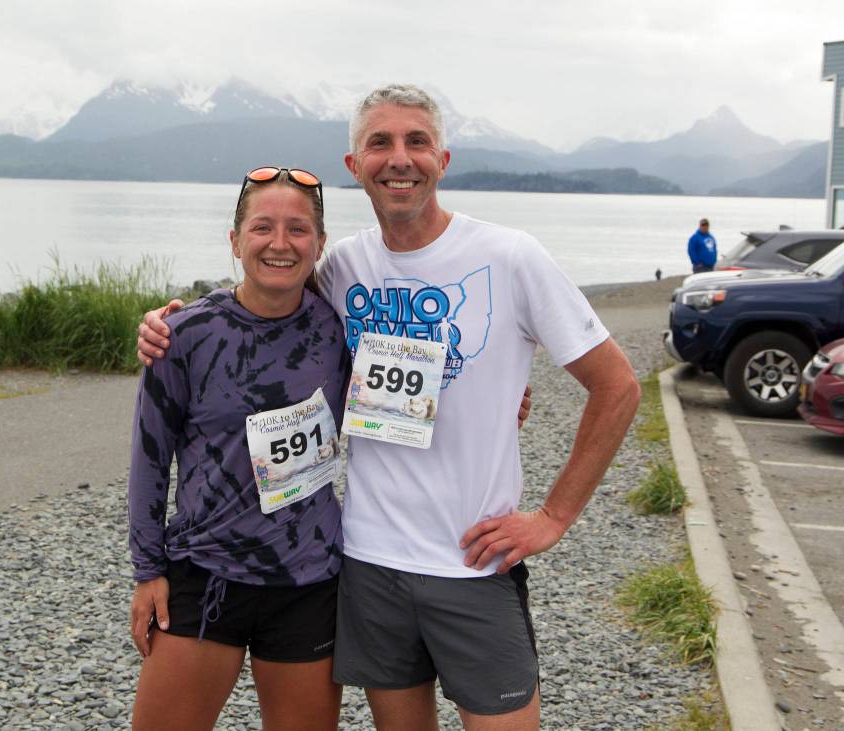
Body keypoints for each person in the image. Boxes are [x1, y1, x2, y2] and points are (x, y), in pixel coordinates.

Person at [139, 85, 640, 731]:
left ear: (443, 159)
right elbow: (266, 291)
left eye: (416, 142)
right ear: (356, 166)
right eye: (380, 142)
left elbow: (618, 385)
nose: (398, 158)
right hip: (369, 561)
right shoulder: (344, 265)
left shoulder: (510, 255)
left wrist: (554, 515)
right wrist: (169, 324)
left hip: (474, 560)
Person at [127, 167, 352, 731]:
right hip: (205, 570)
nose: (280, 243)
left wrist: (500, 404)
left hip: (309, 578)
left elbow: (401, 398)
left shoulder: (338, 328)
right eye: (262, 228)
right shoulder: (185, 335)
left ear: (320, 244)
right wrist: (147, 570)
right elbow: (149, 462)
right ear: (234, 241)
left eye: (298, 230)